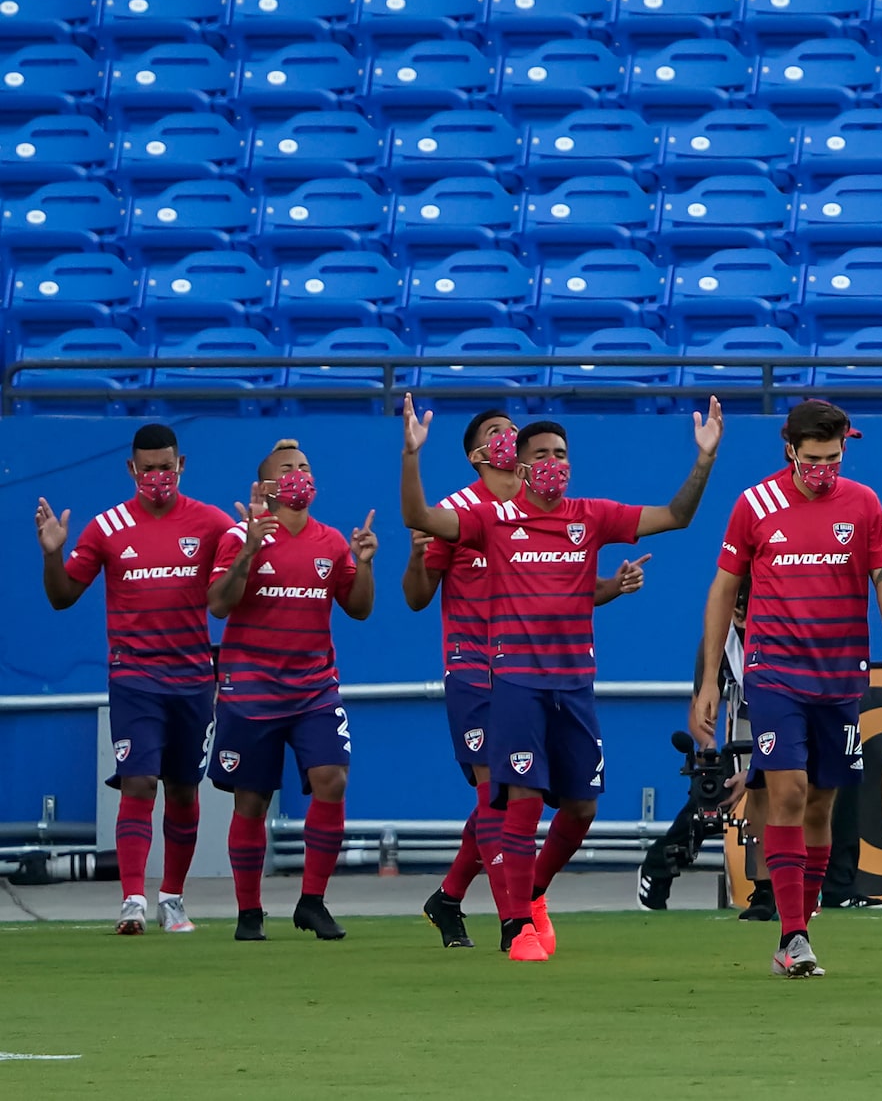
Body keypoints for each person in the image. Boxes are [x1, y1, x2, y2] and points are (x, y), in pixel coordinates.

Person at [399, 395, 722, 958]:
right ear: (517, 463)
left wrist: (704, 459)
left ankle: (505, 894)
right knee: (508, 800)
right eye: (540, 452)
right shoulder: (489, 517)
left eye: (561, 453)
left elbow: (676, 517)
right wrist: (410, 456)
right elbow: (421, 524)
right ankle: (515, 925)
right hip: (502, 678)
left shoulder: (589, 516)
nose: (553, 461)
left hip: (574, 682)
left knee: (581, 808)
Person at [689, 399, 882, 979]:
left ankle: (802, 923)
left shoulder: (862, 503)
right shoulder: (755, 504)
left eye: (833, 457)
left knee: (821, 804)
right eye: (813, 458)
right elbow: (721, 590)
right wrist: (710, 680)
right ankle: (792, 934)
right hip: (775, 675)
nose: (823, 468)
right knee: (786, 793)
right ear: (791, 448)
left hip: (840, 678)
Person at [410, 409, 647, 948]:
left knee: (514, 797)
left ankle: (451, 897)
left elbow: (564, 593)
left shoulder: (543, 509)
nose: (509, 438)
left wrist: (611, 585)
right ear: (477, 455)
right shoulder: (460, 511)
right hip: (475, 664)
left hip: (538, 667)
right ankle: (514, 922)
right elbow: (419, 595)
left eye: (512, 431)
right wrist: (414, 554)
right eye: (496, 433)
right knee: (503, 792)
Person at [33, 423, 234, 936]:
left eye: (166, 467)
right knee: (139, 782)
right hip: (134, 676)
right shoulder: (106, 527)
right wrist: (53, 552)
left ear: (181, 465)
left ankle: (172, 898)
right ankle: (131, 900)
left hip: (192, 679)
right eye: (148, 469)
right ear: (132, 470)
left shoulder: (211, 523)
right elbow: (62, 597)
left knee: (184, 791)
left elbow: (232, 591)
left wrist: (252, 543)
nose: (158, 477)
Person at [204, 440, 378, 943]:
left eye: (305, 466)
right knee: (252, 801)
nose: (300, 474)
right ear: (267, 487)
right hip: (251, 689)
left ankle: (312, 902)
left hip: (314, 690)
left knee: (333, 780)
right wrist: (249, 553)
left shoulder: (330, 542)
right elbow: (218, 605)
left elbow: (359, 608)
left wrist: (363, 563)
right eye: (288, 469)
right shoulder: (240, 535)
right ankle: (249, 912)